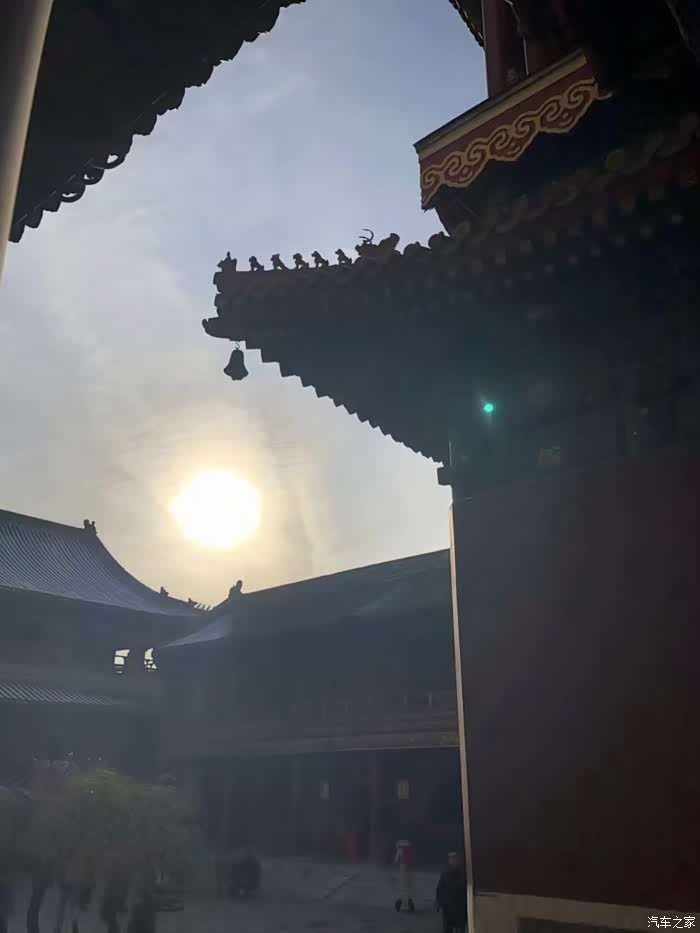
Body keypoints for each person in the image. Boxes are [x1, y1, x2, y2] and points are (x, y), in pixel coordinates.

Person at [435, 851, 467, 933]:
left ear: (459, 861)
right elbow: (440, 889)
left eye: (455, 859)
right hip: (448, 909)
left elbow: (466, 890)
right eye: (451, 859)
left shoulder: (464, 874)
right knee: (448, 929)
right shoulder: (445, 873)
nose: (453, 861)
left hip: (460, 909)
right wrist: (438, 903)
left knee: (460, 929)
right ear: (449, 861)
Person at [393, 839, 415, 913]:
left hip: (403, 867)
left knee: (403, 886)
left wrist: (395, 863)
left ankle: (404, 905)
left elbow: (396, 859)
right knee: (409, 886)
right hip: (410, 868)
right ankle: (409, 900)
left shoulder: (400, 849)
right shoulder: (410, 849)